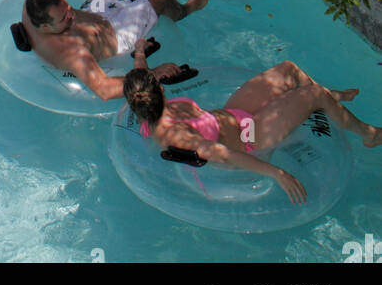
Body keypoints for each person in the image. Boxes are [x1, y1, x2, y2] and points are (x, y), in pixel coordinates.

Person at [124, 58, 382, 204]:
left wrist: (139, 53)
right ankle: (369, 134)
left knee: (288, 70)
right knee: (313, 94)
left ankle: (330, 98)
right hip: (251, 139)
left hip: (233, 116)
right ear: (160, 90)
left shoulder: (146, 105)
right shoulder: (175, 135)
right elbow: (222, 154)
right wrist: (277, 173)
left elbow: (140, 77)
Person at [22, 0, 210, 102]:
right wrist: (152, 74)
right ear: (45, 26)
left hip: (96, 14)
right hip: (116, 36)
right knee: (157, 1)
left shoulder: (33, 4)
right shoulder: (70, 52)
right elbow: (104, 89)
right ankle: (187, 8)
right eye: (64, 18)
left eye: (68, 8)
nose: (70, 16)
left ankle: (167, 1)